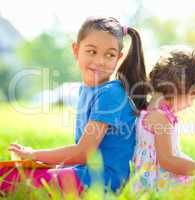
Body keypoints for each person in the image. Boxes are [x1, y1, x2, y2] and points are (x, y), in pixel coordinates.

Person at [1, 16, 148, 196]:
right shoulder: (86, 90)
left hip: (105, 181)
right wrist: (48, 164)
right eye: (92, 51)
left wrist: (34, 154)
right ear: (76, 50)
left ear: (118, 58)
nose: (100, 61)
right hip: (86, 171)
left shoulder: (110, 93)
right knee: (10, 173)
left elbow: (84, 153)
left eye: (109, 55)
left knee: (9, 181)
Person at [132, 47, 195, 191]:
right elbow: (168, 160)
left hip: (156, 181)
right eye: (193, 95)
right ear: (178, 86)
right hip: (157, 187)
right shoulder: (160, 118)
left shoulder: (150, 113)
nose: (191, 103)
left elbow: (172, 156)